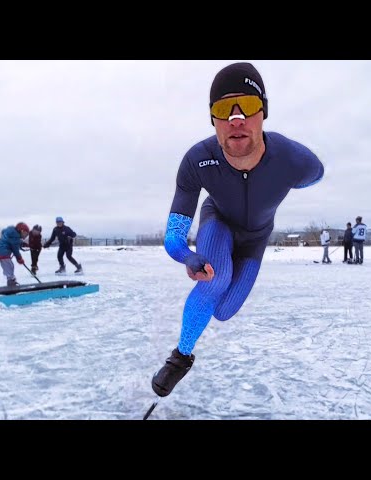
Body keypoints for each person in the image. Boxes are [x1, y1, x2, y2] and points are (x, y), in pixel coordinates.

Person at [151, 62, 325, 398]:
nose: (235, 119)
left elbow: (316, 174)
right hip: (219, 222)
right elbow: (174, 234)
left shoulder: (292, 159)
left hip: (255, 242)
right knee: (215, 277)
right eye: (222, 109)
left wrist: (284, 182)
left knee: (224, 310)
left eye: (246, 106)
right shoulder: (197, 160)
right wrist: (189, 257)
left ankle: (220, 284)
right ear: (213, 120)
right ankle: (180, 358)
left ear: (264, 112)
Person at [0, 222, 30, 287]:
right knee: (9, 266)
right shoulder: (15, 235)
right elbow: (15, 250)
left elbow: (13, 241)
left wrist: (22, 243)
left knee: (10, 266)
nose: (26, 236)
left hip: (1, 251)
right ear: (21, 231)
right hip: (3, 252)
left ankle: (11, 280)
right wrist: (19, 259)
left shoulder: (13, 234)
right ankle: (11, 281)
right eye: (26, 234)